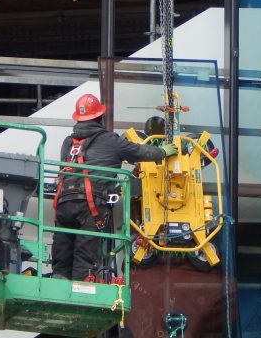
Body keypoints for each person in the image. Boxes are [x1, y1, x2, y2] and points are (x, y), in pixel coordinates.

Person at [51, 93, 178, 281]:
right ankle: (79, 289)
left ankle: (57, 281)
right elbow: (138, 151)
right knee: (84, 254)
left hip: (64, 202)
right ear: (99, 117)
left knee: (62, 248)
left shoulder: (68, 143)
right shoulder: (110, 140)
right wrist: (162, 152)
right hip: (91, 206)